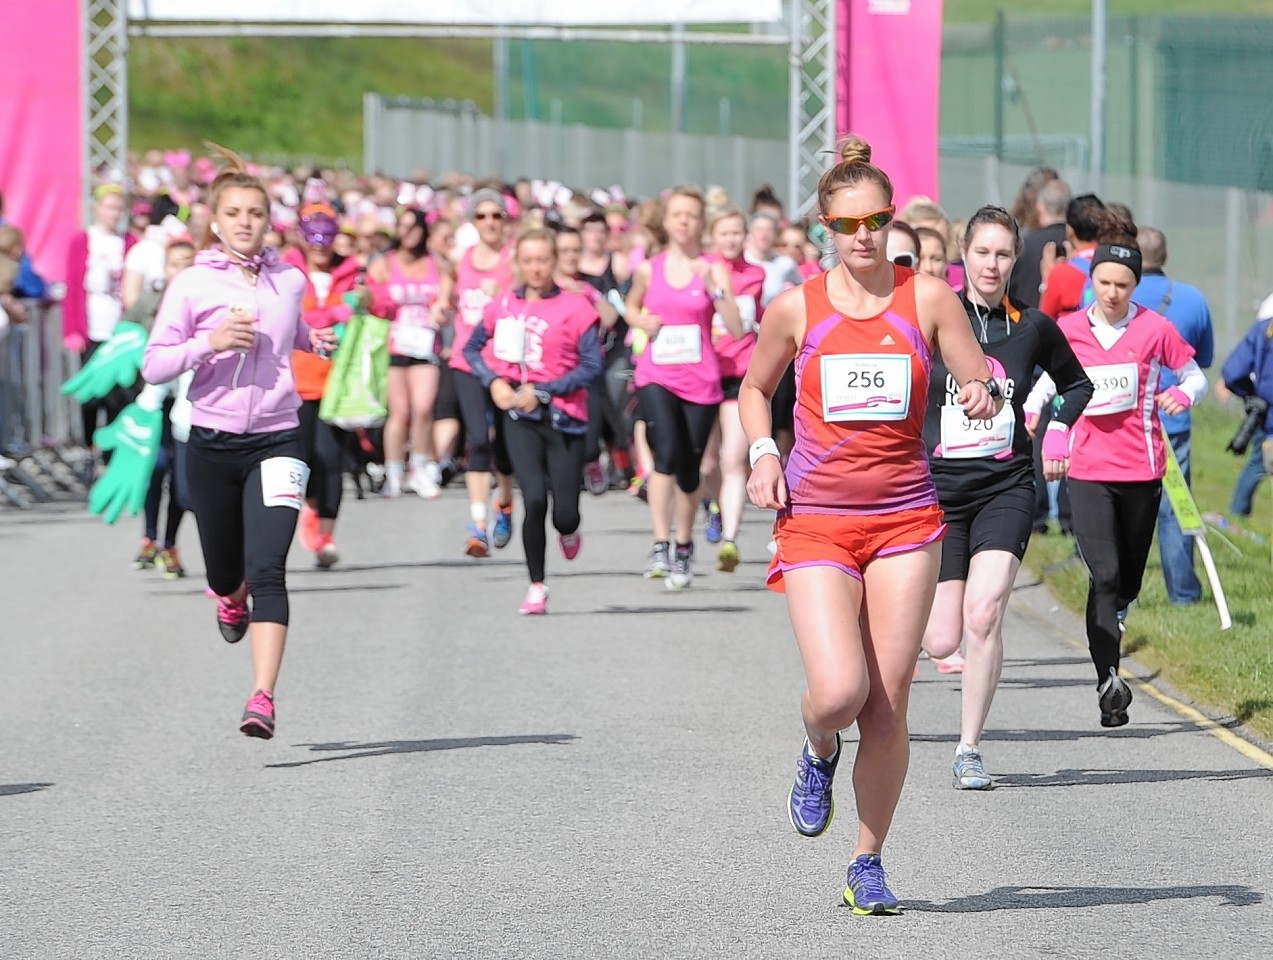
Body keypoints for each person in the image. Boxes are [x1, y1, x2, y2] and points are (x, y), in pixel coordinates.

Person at [739, 135, 1002, 915]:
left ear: (891, 222)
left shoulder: (925, 297)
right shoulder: (795, 308)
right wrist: (761, 454)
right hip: (816, 520)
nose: (862, 236)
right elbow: (754, 390)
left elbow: (972, 371)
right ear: (824, 225)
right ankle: (818, 747)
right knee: (838, 692)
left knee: (886, 705)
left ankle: (867, 862)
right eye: (847, 224)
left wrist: (981, 391)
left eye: (876, 221)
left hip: (903, 522)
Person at [142, 145, 335, 741]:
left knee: (269, 569)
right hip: (212, 442)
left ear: (268, 218)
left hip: (279, 436)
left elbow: (289, 327)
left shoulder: (290, 279)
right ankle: (228, 599)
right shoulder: (192, 283)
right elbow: (154, 365)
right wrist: (211, 342)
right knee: (228, 573)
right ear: (216, 221)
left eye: (255, 211)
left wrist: (311, 340)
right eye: (234, 212)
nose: (246, 221)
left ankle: (262, 697)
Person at [920, 206, 1093, 790]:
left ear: (1013, 260)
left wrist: (1061, 428)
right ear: (962, 255)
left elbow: (1078, 383)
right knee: (941, 637)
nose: (991, 264)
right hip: (938, 491)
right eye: (981, 252)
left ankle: (969, 748)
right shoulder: (933, 318)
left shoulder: (1032, 327)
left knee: (985, 610)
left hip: (1006, 484)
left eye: (1002, 254)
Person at [1026, 225, 1207, 727]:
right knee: (1103, 575)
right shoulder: (1068, 329)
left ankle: (1116, 613)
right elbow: (1043, 386)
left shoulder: (1154, 329)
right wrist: (1034, 419)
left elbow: (1196, 376)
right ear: (1092, 280)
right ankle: (1109, 679)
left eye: (1122, 285)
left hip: (1142, 471)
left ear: (1135, 286)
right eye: (1103, 282)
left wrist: (1185, 395)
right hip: (1087, 472)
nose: (1111, 293)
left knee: (1125, 580)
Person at [464, 228, 603, 614]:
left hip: (565, 417)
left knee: (564, 513)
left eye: (543, 259)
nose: (536, 268)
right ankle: (537, 585)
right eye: (528, 260)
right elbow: (472, 348)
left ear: (554, 261)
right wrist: (494, 383)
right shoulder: (504, 305)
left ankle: (570, 528)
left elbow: (593, 366)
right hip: (519, 417)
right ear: (518, 264)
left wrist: (545, 390)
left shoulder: (576, 307)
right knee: (535, 501)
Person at [626, 186, 742, 589]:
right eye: (677, 214)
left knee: (692, 469)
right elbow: (630, 305)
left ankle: (683, 543)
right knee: (667, 454)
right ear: (667, 220)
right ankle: (660, 543)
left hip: (701, 379)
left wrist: (714, 286)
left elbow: (737, 325)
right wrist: (639, 321)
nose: (683, 221)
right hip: (656, 374)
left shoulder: (713, 267)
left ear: (701, 222)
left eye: (691, 215)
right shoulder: (649, 267)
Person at [1134, 226, 1214, 605]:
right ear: (1164, 257)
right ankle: (1182, 592)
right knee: (1175, 505)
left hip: (1121, 419)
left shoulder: (1112, 295)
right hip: (1172, 417)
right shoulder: (1192, 298)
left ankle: (1114, 594)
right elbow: (1203, 359)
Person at [287, 202, 361, 568]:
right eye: (312, 237)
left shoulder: (351, 273)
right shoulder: (286, 270)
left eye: (326, 238)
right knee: (303, 460)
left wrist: (364, 302)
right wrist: (335, 313)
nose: (319, 245)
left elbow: (377, 307)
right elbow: (293, 318)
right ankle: (311, 509)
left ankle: (326, 536)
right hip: (296, 382)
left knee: (332, 460)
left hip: (339, 383)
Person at [696, 207, 766, 573]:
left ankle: (729, 540)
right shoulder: (700, 270)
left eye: (737, 233)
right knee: (706, 463)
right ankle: (713, 507)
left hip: (741, 372)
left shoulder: (756, 274)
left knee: (733, 460)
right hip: (704, 372)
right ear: (712, 236)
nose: (731, 240)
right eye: (724, 233)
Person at [367, 208, 453, 500]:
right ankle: (393, 473)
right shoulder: (384, 264)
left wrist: (442, 311)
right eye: (403, 227)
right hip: (394, 344)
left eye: (414, 227)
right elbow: (371, 299)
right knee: (399, 412)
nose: (409, 233)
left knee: (424, 408)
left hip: (426, 343)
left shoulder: (435, 263)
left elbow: (446, 297)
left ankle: (420, 469)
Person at [450, 189, 517, 557]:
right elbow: (450, 296)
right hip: (466, 360)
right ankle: (478, 527)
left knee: (505, 449)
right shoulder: (463, 260)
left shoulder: (515, 261)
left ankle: (504, 503)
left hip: (504, 363)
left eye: (497, 216)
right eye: (482, 216)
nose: (490, 223)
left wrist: (503, 293)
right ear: (472, 222)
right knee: (477, 441)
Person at [126, 239, 196, 578]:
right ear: (165, 269)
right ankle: (149, 537)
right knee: (154, 468)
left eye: (187, 263)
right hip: (153, 401)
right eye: (174, 263)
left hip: (188, 403)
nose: (180, 270)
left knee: (180, 479)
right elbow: (125, 340)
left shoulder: (202, 302)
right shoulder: (149, 303)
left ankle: (170, 543)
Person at [64, 184, 136, 455]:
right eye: (110, 207)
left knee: (118, 394)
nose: (114, 214)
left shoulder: (128, 243)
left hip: (118, 330)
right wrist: (72, 329)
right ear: (98, 208)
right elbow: (73, 287)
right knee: (91, 394)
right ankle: (89, 445)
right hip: (92, 327)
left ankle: (112, 448)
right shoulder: (84, 240)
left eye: (119, 208)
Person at [1221, 294, 1273, 500]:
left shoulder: (1264, 329)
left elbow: (1233, 373)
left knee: (1257, 462)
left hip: (1268, 416)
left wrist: (1251, 395)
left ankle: (1238, 512)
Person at [1038, 193, 1106, 319]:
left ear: (1069, 230)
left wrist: (1046, 282)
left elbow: (1044, 322)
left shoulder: (1060, 273)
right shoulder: (1115, 265)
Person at [1008, 177, 1070, 309]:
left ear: (1039, 207)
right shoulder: (1074, 245)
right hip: (1066, 322)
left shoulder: (1024, 245)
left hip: (1024, 320)